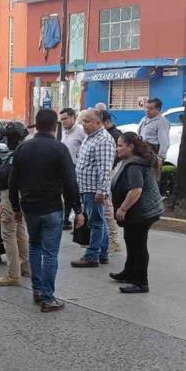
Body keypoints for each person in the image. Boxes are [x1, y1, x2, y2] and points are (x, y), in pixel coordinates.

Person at [9, 109, 83, 312]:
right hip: (51, 207)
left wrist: (16, 207)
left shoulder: (23, 149)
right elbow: (70, 182)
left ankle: (38, 290)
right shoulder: (59, 149)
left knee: (34, 246)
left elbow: (13, 180)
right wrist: (77, 209)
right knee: (50, 253)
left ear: (36, 124)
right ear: (54, 126)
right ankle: (48, 297)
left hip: (30, 207)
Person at [110, 132, 164, 293]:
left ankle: (141, 282)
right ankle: (129, 272)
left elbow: (136, 190)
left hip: (141, 213)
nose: (117, 149)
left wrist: (123, 208)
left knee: (138, 245)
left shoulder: (134, 165)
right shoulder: (133, 161)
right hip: (139, 212)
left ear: (131, 147)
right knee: (130, 241)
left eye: (120, 145)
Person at [0, 122, 30, 286]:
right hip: (22, 196)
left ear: (13, 138)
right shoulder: (26, 150)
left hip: (10, 197)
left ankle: (13, 274)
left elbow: (3, 176)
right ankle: (25, 267)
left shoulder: (16, 153)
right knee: (20, 231)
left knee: (8, 234)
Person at [72, 108, 116, 268]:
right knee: (98, 221)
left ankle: (92, 255)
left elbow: (104, 168)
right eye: (83, 121)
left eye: (88, 121)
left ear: (99, 122)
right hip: (86, 187)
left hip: (94, 189)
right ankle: (102, 252)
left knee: (95, 222)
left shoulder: (103, 140)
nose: (84, 124)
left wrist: (101, 191)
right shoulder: (90, 137)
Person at [58, 108, 86, 229]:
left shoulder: (81, 131)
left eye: (65, 118)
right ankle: (66, 220)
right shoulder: (63, 132)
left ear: (73, 117)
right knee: (66, 195)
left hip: (77, 168)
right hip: (64, 168)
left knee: (74, 194)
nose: (63, 122)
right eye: (62, 119)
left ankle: (78, 219)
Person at [100, 110, 122, 254]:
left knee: (107, 209)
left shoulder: (113, 136)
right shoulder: (106, 135)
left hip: (110, 175)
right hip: (107, 176)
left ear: (106, 122)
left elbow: (111, 161)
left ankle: (113, 240)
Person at [137, 98, 170, 163]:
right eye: (146, 108)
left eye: (151, 108)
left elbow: (164, 142)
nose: (147, 110)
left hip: (153, 153)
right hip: (142, 152)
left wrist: (160, 158)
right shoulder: (144, 119)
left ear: (158, 109)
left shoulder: (161, 122)